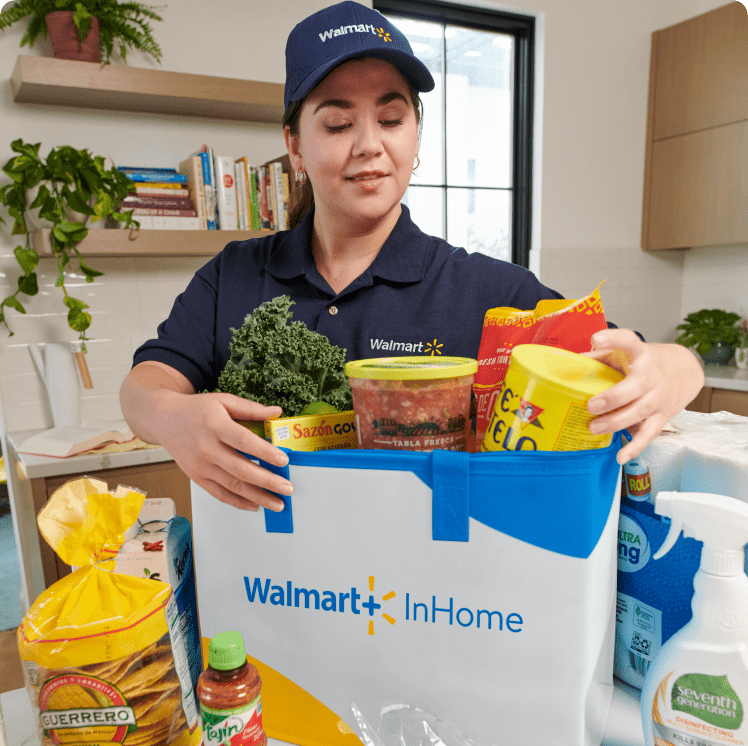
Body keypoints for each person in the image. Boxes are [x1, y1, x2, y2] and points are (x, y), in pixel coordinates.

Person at [120, 1, 704, 512]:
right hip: (268, 584)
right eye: (339, 122)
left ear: (415, 139)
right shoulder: (235, 274)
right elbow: (145, 385)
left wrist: (679, 367)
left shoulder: (484, 289)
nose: (369, 144)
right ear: (295, 145)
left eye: (392, 119)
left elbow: (626, 358)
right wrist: (173, 418)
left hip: (428, 597)